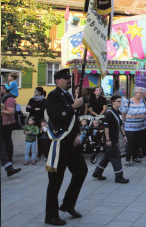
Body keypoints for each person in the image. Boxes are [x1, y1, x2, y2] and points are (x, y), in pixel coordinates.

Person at [44, 69, 87, 226]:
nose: (69, 80)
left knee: (81, 171)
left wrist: (78, 133)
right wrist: (73, 106)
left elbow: (73, 120)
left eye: (69, 78)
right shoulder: (53, 96)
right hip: (58, 143)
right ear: (57, 81)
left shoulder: (69, 95)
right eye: (66, 78)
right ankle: (51, 215)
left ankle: (68, 204)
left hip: (71, 143)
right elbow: (57, 116)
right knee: (55, 180)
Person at [91, 94, 129, 183]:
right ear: (113, 103)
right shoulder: (109, 113)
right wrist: (107, 139)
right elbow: (106, 127)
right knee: (116, 156)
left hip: (115, 137)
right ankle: (119, 176)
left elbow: (120, 125)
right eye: (118, 101)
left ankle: (97, 172)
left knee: (107, 156)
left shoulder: (118, 112)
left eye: (121, 101)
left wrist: (124, 135)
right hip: (110, 139)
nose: (120, 103)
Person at [121, 87, 146, 167]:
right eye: (140, 92)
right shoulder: (128, 102)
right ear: (135, 93)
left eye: (142, 93)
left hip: (142, 126)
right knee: (130, 143)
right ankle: (127, 160)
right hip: (130, 127)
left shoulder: (143, 101)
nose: (141, 94)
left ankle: (135, 157)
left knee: (138, 142)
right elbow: (123, 113)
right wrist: (126, 120)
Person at [1, 85, 18, 175]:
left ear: (4, 90)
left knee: (6, 142)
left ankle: (9, 163)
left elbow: (11, 112)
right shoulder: (3, 98)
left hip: (7, 124)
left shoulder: (9, 99)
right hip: (2, 123)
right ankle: (8, 165)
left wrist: (1, 111)